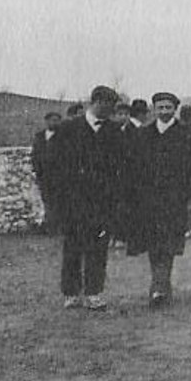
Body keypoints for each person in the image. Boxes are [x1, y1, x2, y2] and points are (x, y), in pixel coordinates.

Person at [47, 85, 128, 311]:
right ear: (98, 102)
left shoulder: (114, 131)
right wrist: (59, 197)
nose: (112, 112)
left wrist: (115, 196)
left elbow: (122, 165)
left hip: (102, 202)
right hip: (73, 200)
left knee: (98, 248)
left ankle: (94, 292)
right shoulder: (67, 129)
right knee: (72, 246)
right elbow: (53, 165)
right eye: (110, 107)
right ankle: (71, 293)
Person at [124, 92, 191, 307]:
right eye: (160, 107)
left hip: (176, 197)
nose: (164, 112)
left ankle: (159, 286)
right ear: (154, 109)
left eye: (168, 107)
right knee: (153, 242)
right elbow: (134, 166)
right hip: (149, 198)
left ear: (175, 109)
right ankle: (160, 285)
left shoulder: (188, 133)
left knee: (168, 242)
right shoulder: (144, 134)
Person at [30, 112, 64, 235]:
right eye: (52, 120)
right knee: (46, 201)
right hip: (43, 176)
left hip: (59, 176)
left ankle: (57, 227)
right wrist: (36, 170)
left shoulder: (63, 137)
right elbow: (35, 155)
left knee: (58, 201)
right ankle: (49, 226)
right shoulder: (39, 137)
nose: (54, 123)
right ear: (46, 121)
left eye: (57, 120)